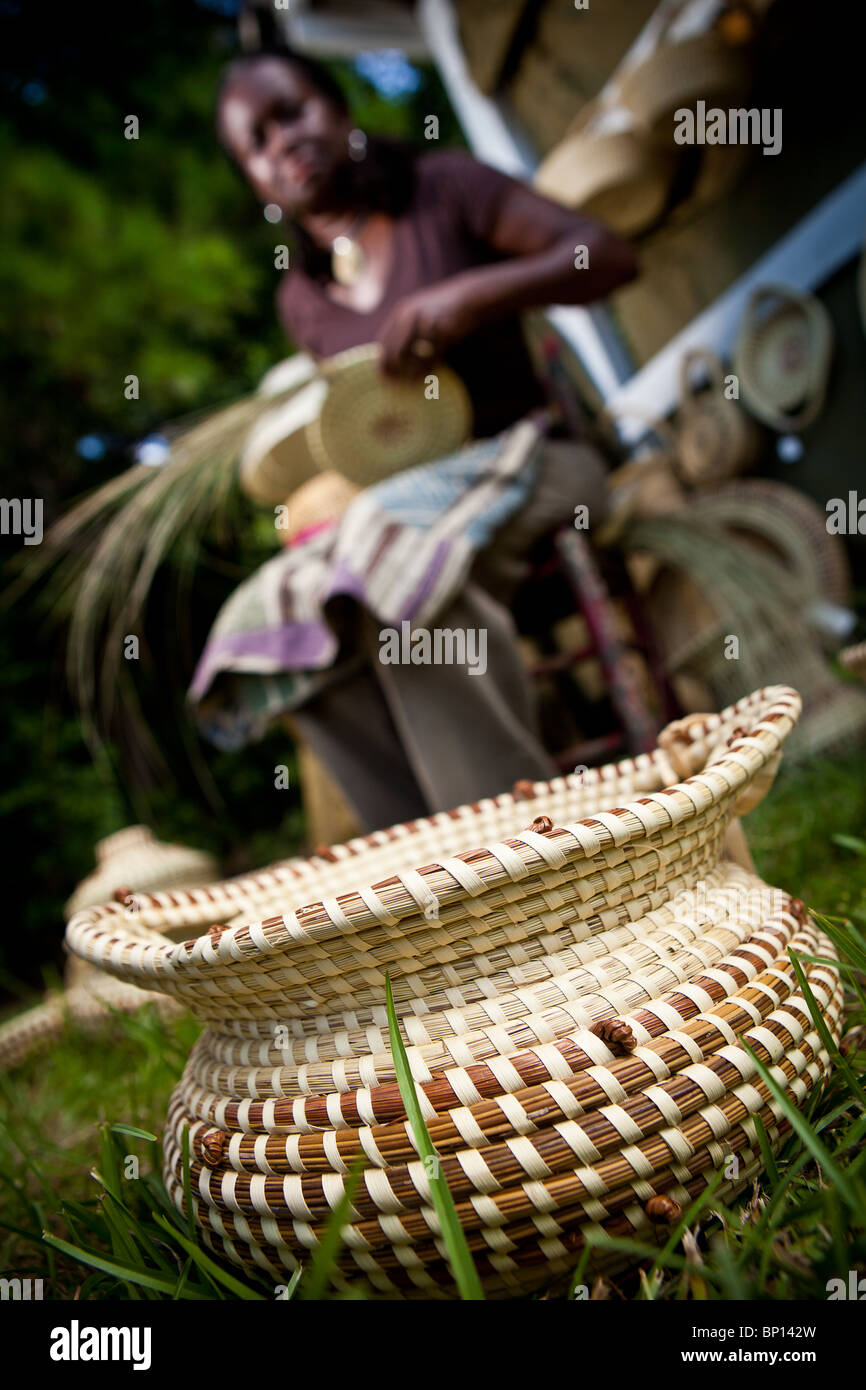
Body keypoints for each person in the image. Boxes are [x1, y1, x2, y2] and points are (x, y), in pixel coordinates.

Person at [190, 43, 639, 832]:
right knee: (300, 619)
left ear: (341, 110)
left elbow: (606, 255)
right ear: (255, 183)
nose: (283, 142)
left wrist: (474, 295)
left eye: (292, 111)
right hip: (414, 508)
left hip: (545, 467)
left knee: (407, 586)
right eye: (256, 143)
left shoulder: (446, 190)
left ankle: (515, 861)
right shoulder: (302, 299)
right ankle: (426, 869)